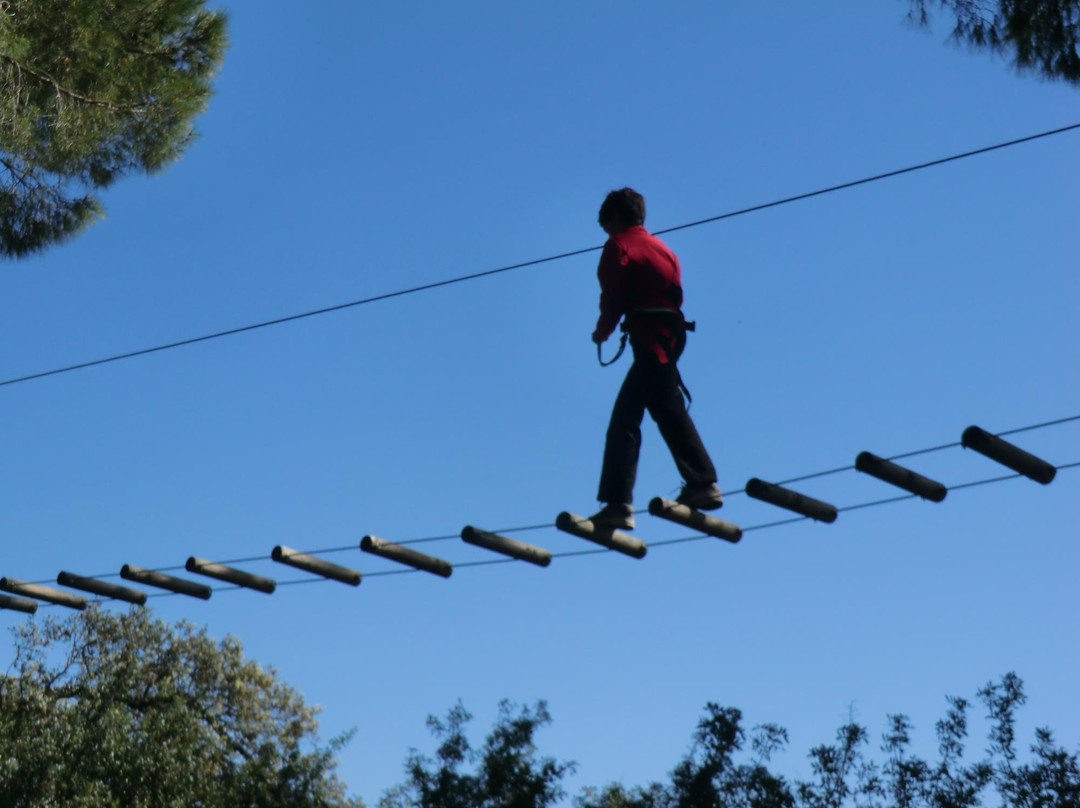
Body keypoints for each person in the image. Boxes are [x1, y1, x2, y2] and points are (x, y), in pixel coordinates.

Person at [589, 188, 722, 530]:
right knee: (663, 408)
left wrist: (602, 331)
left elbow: (613, 296)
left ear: (615, 218)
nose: (606, 232)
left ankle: (622, 503)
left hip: (651, 339)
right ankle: (700, 482)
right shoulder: (664, 249)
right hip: (672, 335)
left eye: (606, 225)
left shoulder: (618, 246)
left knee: (625, 421)